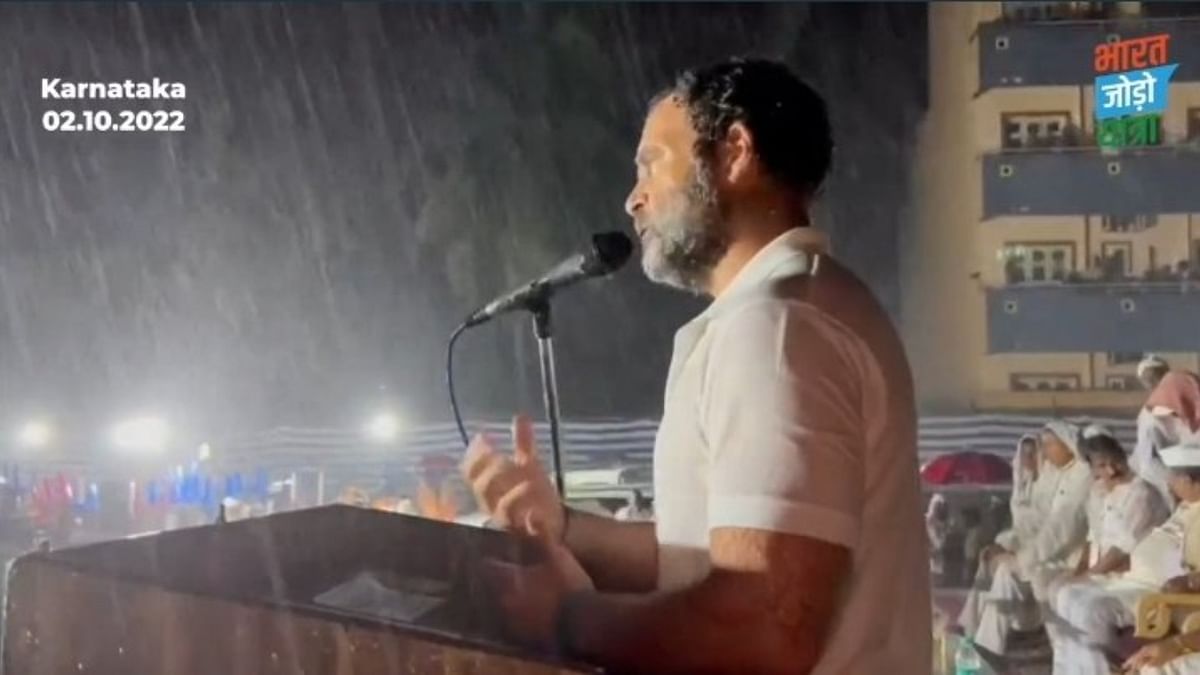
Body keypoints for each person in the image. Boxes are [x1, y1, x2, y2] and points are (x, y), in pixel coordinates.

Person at [460, 57, 930, 673]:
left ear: (734, 152)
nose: (634, 199)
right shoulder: (782, 312)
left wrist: (566, 617)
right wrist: (563, 526)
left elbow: (763, 626)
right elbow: (698, 559)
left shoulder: (779, 326)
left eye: (653, 162)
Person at [1049, 441, 1200, 674]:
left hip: (1157, 590)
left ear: (1190, 482)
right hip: (1133, 578)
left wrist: (1187, 581)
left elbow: (1187, 568)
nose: (1169, 483)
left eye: (1174, 478)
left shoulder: (1146, 494)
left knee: (1090, 609)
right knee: (1066, 594)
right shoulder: (1186, 506)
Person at [958, 421, 1092, 656]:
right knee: (994, 562)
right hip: (1042, 554)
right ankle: (975, 635)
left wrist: (1019, 559)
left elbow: (1060, 530)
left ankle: (987, 648)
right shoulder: (1054, 474)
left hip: (1068, 558)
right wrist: (1005, 544)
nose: (1046, 451)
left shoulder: (1082, 476)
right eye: (1045, 445)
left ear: (1068, 446)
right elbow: (1033, 525)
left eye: (1051, 445)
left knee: (1007, 572)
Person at [1133, 367, 1200, 508]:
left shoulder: (1193, 407)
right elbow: (1147, 464)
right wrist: (1175, 483)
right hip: (1170, 487)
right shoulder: (1151, 419)